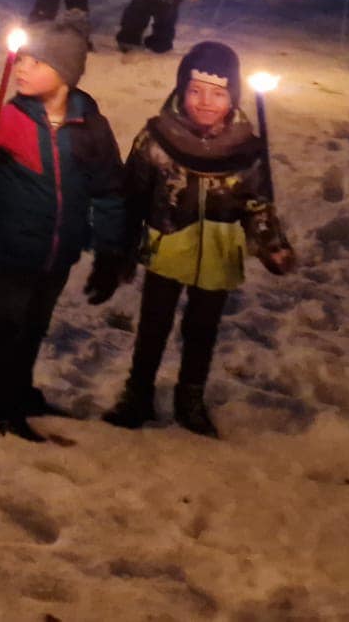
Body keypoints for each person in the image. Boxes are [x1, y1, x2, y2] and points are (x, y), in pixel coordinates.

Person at [0, 18, 128, 442]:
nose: (21, 68)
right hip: (10, 248)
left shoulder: (91, 128)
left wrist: (109, 250)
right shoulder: (11, 117)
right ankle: (0, 401)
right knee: (9, 324)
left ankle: (21, 389)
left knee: (34, 325)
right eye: (21, 59)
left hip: (59, 251)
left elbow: (109, 192)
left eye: (35, 61)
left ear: (63, 73)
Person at [104, 41, 295, 436]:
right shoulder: (157, 139)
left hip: (218, 254)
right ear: (180, 89)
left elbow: (258, 204)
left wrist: (272, 244)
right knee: (154, 323)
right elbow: (131, 194)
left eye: (218, 93)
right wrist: (119, 246)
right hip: (168, 246)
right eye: (195, 90)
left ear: (233, 96)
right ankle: (138, 391)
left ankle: (190, 395)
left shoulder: (244, 150)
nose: (205, 101)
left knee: (202, 328)